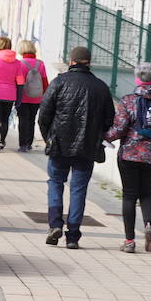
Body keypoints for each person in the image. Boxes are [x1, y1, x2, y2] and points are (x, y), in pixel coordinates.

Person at [37, 46, 115, 249]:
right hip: (87, 147)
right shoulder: (101, 87)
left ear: (71, 61)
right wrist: (97, 136)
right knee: (78, 189)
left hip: (60, 146)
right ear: (89, 62)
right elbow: (109, 119)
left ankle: (54, 224)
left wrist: (49, 139)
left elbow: (44, 115)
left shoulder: (59, 82)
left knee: (55, 182)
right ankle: (73, 235)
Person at [105, 62, 151, 254]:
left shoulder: (128, 101)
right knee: (147, 194)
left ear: (137, 78)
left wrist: (104, 138)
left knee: (129, 195)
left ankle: (129, 241)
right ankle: (149, 225)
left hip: (129, 154)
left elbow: (119, 129)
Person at [15, 40, 49, 153]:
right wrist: (45, 96)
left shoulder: (20, 63)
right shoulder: (41, 64)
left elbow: (18, 82)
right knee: (31, 120)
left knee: (23, 120)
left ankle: (23, 144)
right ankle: (29, 143)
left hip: (23, 97)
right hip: (37, 97)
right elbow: (45, 82)